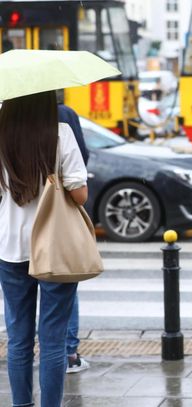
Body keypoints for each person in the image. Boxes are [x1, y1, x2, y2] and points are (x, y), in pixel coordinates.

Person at [0, 91, 88, 407]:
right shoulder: (60, 133)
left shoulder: (1, 133)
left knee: (18, 340)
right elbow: (80, 194)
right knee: (53, 342)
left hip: (10, 248)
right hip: (54, 247)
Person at [58, 102, 90, 374]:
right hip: (55, 231)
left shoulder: (5, 123)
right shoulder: (62, 124)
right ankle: (69, 354)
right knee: (64, 293)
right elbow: (79, 191)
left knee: (18, 335)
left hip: (10, 239)